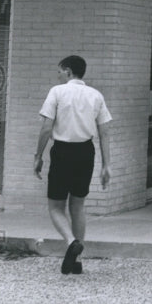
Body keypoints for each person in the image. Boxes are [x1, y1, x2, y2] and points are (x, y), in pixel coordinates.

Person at [34, 55, 112, 275]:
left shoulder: (57, 92)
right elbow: (105, 132)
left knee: (55, 206)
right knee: (77, 206)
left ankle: (70, 242)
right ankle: (76, 260)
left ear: (68, 71)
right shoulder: (96, 95)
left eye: (59, 71)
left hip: (62, 151)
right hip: (86, 152)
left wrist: (37, 156)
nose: (57, 75)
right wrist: (107, 165)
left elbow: (46, 129)